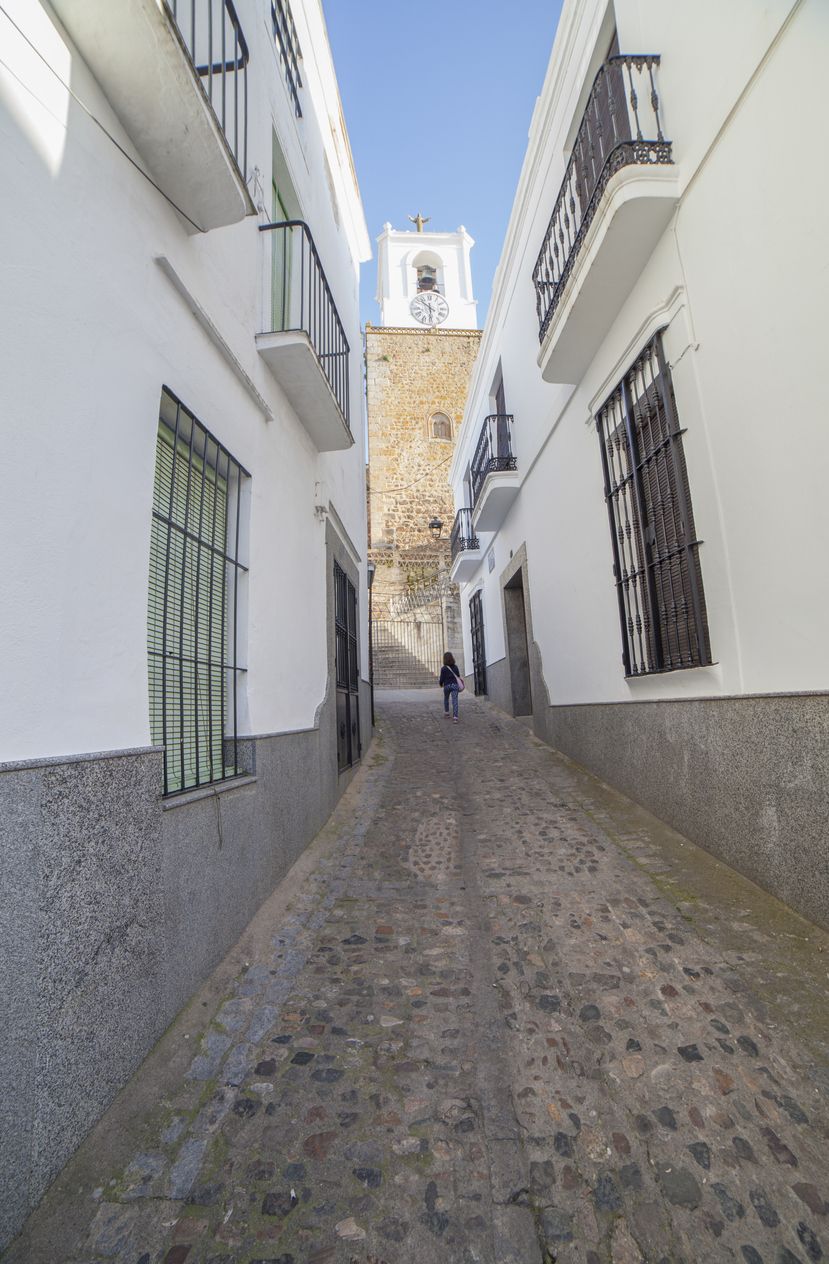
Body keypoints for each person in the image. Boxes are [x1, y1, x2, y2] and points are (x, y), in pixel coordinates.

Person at [439, 651, 462, 722]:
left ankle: (447, 713)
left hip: (447, 686)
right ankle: (455, 717)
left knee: (446, 699)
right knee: (455, 701)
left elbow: (441, 678)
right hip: (454, 685)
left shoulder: (443, 668)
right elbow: (458, 676)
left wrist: (440, 684)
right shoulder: (455, 667)